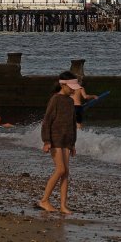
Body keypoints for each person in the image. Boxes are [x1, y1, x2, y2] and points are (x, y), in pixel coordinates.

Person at [38, 72, 79, 214]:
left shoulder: (70, 101)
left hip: (67, 141)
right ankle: (44, 200)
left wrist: (73, 143)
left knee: (66, 173)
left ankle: (63, 205)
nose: (74, 89)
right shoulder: (55, 99)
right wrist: (46, 141)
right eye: (71, 87)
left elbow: (72, 123)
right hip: (54, 140)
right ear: (63, 84)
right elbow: (47, 121)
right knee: (60, 169)